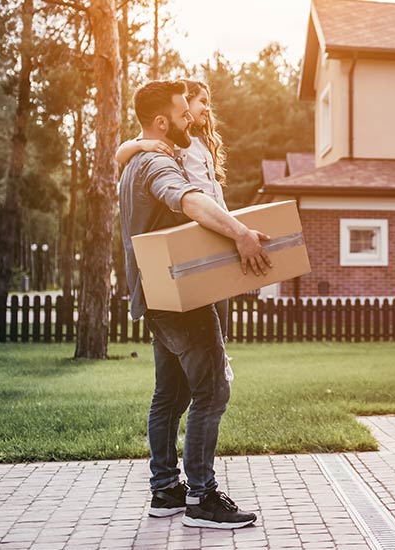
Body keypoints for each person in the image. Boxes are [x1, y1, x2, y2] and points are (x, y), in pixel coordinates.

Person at [118, 80, 266, 529]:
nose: (191, 120)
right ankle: (202, 498)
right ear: (162, 121)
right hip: (181, 300)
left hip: (155, 296)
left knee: (171, 394)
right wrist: (241, 233)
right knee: (212, 391)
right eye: (183, 114)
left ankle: (165, 490)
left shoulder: (134, 163)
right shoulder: (156, 164)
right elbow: (189, 199)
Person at [116, 80, 232, 344]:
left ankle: (220, 355)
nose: (204, 109)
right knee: (205, 330)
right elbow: (120, 153)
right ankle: (217, 362)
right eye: (201, 101)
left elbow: (214, 196)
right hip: (200, 230)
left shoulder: (200, 142)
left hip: (217, 228)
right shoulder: (171, 144)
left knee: (219, 323)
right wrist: (141, 145)